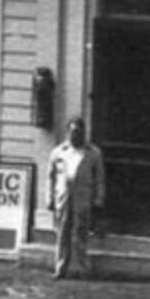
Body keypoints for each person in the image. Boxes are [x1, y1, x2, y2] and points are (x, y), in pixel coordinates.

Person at [46, 116, 106, 280]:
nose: (76, 136)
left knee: (81, 232)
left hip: (82, 196)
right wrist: (49, 197)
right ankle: (60, 268)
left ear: (83, 133)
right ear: (67, 132)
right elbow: (50, 176)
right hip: (63, 196)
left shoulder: (93, 153)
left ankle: (82, 268)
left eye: (79, 132)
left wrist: (99, 198)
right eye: (73, 132)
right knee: (62, 233)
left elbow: (99, 178)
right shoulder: (58, 152)